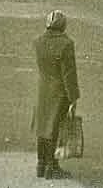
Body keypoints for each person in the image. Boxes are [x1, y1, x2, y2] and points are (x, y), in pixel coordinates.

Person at [33, 9, 80, 180]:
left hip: (43, 89)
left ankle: (41, 164)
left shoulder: (38, 42)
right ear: (63, 26)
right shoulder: (66, 44)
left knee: (42, 128)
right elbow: (69, 74)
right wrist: (73, 97)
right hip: (59, 92)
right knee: (54, 129)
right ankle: (52, 167)